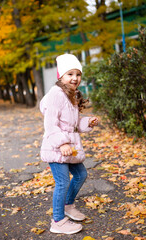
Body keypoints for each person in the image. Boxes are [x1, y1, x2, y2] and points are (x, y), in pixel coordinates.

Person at [40, 53, 98, 235]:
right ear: (61, 76)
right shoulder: (56, 95)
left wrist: (86, 122)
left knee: (81, 175)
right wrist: (62, 143)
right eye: (70, 74)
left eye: (78, 74)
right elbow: (50, 124)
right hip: (57, 148)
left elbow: (73, 124)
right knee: (62, 182)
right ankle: (57, 221)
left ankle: (68, 205)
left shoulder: (71, 95)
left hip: (69, 148)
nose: (75, 78)